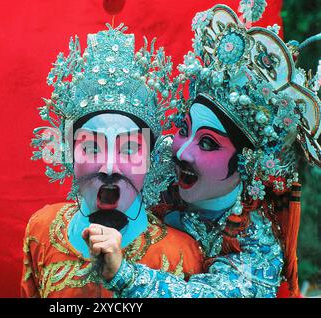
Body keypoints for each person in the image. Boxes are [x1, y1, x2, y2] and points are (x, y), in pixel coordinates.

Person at [87, 4, 321, 298]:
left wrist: (123, 275)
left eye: (208, 142)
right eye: (184, 129)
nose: (182, 150)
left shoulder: (255, 242)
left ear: (248, 163)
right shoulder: (159, 165)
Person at [21, 24, 204, 298]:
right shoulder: (42, 229)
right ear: (69, 156)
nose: (109, 167)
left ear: (153, 160)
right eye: (92, 148)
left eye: (129, 149)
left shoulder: (181, 254)